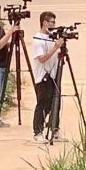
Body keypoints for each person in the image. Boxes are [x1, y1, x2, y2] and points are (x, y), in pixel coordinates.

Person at [31, 12, 64, 143]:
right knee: (43, 104)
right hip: (43, 77)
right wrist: (56, 47)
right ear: (45, 23)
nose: (53, 25)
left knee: (56, 103)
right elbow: (42, 58)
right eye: (52, 22)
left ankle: (54, 129)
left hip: (54, 75)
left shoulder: (52, 37)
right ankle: (37, 132)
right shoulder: (37, 39)